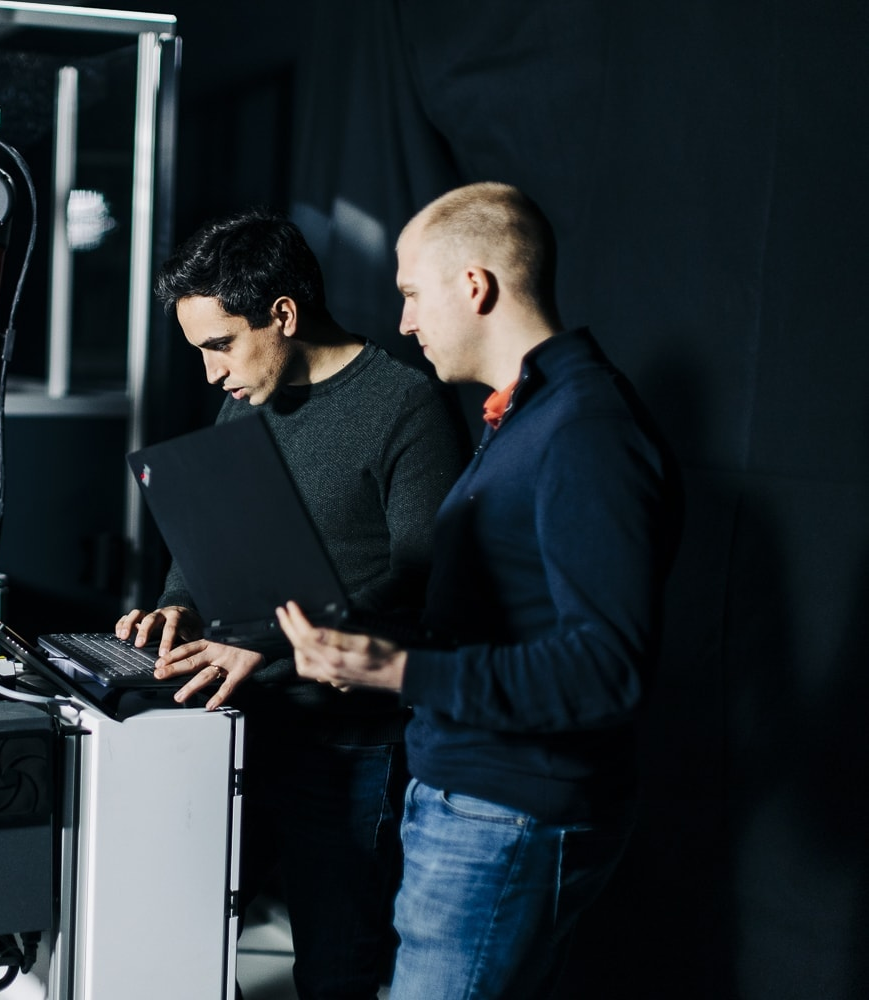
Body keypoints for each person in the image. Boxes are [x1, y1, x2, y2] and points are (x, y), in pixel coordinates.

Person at [277, 182, 685, 1000]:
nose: (404, 322)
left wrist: (399, 673)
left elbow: (607, 670)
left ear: (476, 286)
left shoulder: (585, 430)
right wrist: (372, 651)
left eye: (412, 294)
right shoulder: (527, 419)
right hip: (473, 803)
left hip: (506, 815)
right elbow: (508, 626)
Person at [116, 209, 466, 998]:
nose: (212, 374)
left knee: (334, 970)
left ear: (283, 314)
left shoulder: (406, 407)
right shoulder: (245, 396)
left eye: (220, 345)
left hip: (349, 744)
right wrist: (179, 602)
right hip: (241, 722)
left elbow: (420, 579)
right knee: (184, 944)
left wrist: (270, 640)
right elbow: (209, 543)